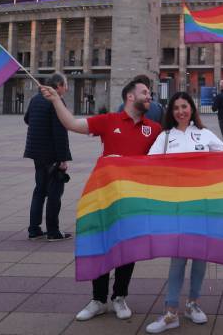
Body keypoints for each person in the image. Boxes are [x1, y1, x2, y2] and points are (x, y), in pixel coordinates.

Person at [40, 75, 160, 322]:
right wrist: (55, 100)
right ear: (130, 96)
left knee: (128, 248)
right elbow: (72, 123)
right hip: (105, 195)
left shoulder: (154, 129)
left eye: (149, 93)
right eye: (145, 92)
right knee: (103, 243)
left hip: (134, 199)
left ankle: (119, 297)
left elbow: (175, 153)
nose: (149, 96)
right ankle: (98, 300)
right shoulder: (109, 121)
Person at [144, 92, 223, 333]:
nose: (181, 111)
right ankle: (171, 311)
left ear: (192, 109)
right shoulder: (164, 137)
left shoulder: (204, 134)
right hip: (176, 206)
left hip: (202, 205)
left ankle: (193, 304)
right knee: (178, 258)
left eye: (185, 107)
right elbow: (147, 164)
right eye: (176, 108)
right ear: (171, 112)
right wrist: (118, 162)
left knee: (200, 257)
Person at [23, 73, 72, 241]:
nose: (66, 88)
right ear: (58, 85)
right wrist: (63, 159)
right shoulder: (56, 101)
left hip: (36, 153)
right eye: (65, 85)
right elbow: (60, 132)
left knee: (39, 190)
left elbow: (27, 119)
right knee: (54, 193)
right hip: (51, 154)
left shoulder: (36, 99)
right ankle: (53, 231)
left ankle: (34, 229)